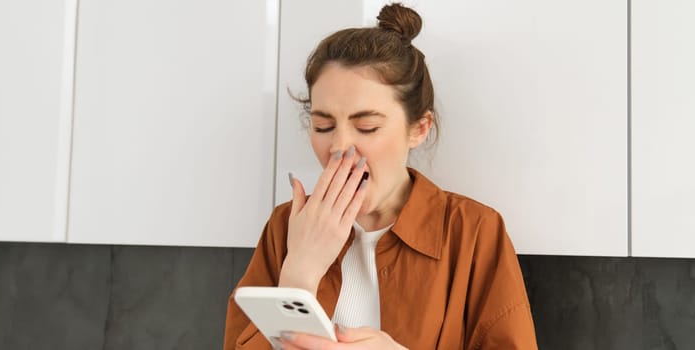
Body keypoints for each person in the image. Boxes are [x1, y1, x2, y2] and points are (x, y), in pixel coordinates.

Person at [224, 3, 537, 349]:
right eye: (323, 125)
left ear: (419, 129)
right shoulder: (287, 227)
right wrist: (299, 272)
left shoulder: (474, 232)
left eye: (367, 127)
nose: (339, 146)